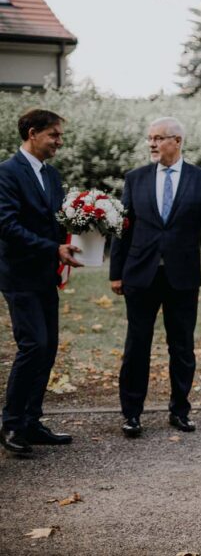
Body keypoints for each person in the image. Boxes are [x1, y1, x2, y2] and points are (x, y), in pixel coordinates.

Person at [109, 117, 201, 438]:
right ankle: (131, 414)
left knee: (182, 347)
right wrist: (116, 273)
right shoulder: (135, 178)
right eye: (150, 138)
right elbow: (122, 228)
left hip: (183, 277)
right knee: (136, 346)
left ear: (177, 141)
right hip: (140, 275)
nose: (151, 144)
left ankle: (180, 410)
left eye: (158, 138)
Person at [0, 109, 81, 455]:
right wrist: (53, 248)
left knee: (48, 347)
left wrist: (84, 232)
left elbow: (56, 221)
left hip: (46, 275)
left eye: (60, 136)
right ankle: (11, 424)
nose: (59, 142)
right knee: (33, 345)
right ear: (33, 133)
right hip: (19, 275)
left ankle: (32, 421)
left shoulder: (52, 174)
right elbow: (7, 225)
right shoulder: (6, 172)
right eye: (54, 135)